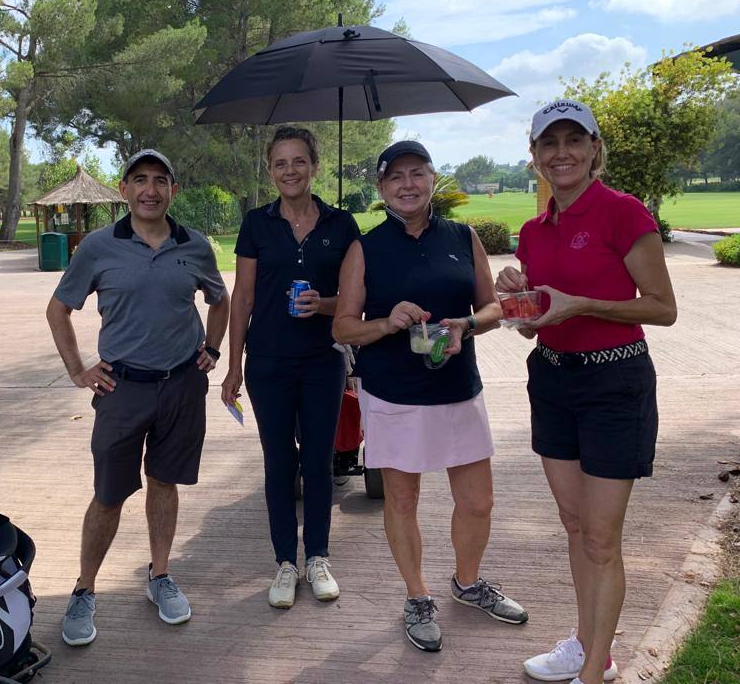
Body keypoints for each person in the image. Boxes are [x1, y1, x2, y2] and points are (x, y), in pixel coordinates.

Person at [498, 100, 677, 684]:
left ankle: (594, 673)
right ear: (535, 157)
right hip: (552, 378)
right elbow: (531, 323)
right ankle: (586, 644)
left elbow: (662, 307)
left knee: (602, 536)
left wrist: (584, 305)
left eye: (575, 140)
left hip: (614, 381)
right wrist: (516, 299)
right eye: (550, 144)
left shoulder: (623, 213)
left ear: (595, 149)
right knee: (574, 524)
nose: (563, 153)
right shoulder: (534, 229)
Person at [333, 140, 528, 653]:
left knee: (478, 501)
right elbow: (344, 326)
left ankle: (467, 582)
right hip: (394, 395)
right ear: (381, 189)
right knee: (402, 498)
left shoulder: (463, 238)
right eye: (395, 177)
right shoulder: (366, 248)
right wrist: (386, 321)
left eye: (416, 173)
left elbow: (492, 308)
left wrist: (465, 323)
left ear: (431, 178)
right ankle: (417, 596)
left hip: (458, 388)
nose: (407, 184)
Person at [46, 148, 230, 647]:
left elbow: (220, 299)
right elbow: (58, 310)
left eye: (161, 181)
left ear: (173, 190)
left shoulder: (195, 245)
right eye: (140, 180)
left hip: (181, 386)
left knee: (164, 483)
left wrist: (213, 348)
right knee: (109, 494)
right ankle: (85, 589)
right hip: (120, 387)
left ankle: (160, 575)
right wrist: (78, 370)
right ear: (125, 189)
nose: (151, 190)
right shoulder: (98, 247)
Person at [220, 126, 360, 609]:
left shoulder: (341, 225)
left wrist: (323, 305)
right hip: (268, 363)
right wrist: (233, 364)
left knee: (319, 462)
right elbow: (243, 297)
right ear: (270, 170)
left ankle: (317, 557)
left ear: (315, 166)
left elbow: (356, 302)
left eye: (299, 161)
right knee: (279, 461)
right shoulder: (256, 223)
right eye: (280, 163)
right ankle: (285, 562)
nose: (289, 171)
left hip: (324, 360)